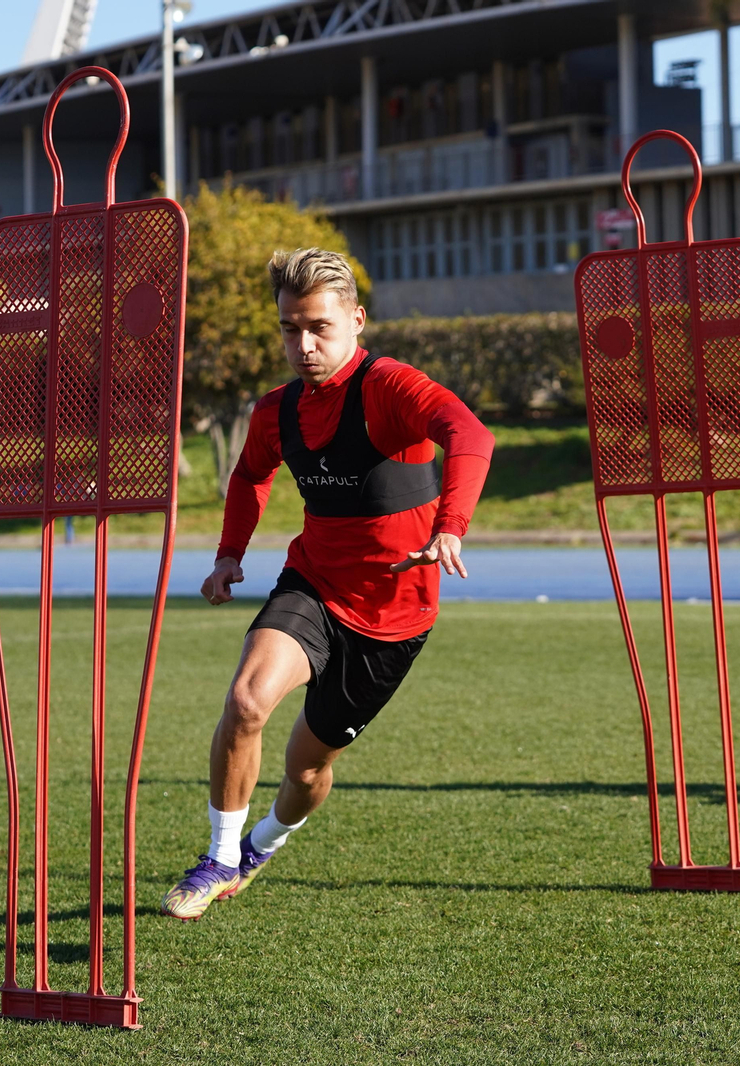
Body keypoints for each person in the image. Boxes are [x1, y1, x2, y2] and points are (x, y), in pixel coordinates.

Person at [162, 248, 495, 918]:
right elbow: (250, 475)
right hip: (312, 583)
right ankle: (219, 858)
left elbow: (469, 432)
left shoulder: (390, 388)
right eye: (290, 329)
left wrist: (451, 524)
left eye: (319, 327)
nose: (303, 344)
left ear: (357, 321)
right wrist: (230, 554)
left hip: (395, 615)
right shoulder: (276, 411)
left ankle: (263, 844)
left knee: (306, 769)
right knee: (247, 701)